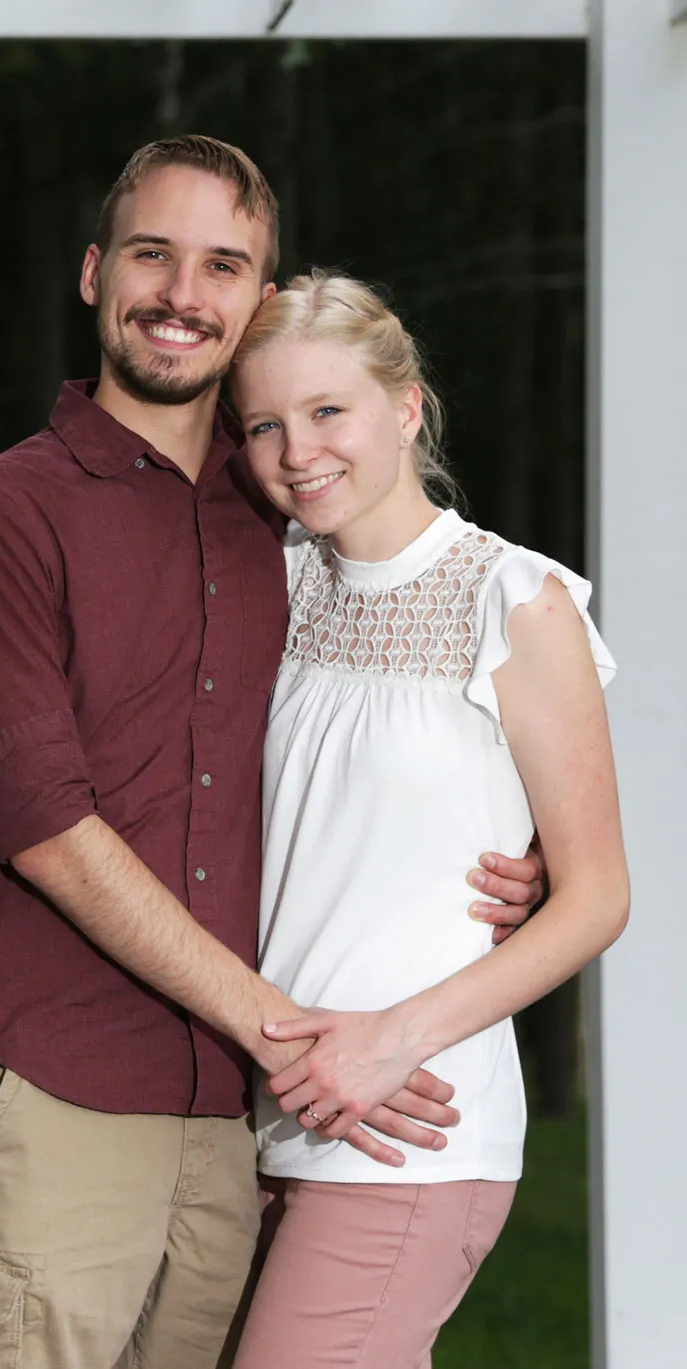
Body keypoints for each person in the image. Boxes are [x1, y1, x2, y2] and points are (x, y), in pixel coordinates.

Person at [0, 136, 542, 1369]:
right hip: (49, 1083)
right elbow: (44, 822)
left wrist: (527, 859)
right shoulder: (4, 509)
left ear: (257, 300)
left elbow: (398, 731)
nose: (181, 295)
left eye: (221, 266)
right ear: (92, 274)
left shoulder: (290, 522)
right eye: (151, 254)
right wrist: (293, 1033)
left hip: (228, 1127)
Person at [213, 272, 626, 1366]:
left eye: (326, 411)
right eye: (263, 423)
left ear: (404, 407)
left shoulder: (514, 601)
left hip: (411, 1132)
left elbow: (593, 898)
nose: (296, 450)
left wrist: (389, 1044)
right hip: (254, 1121)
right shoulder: (275, 581)